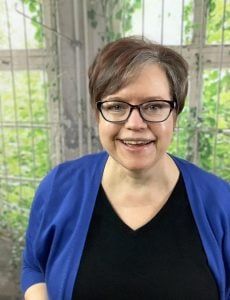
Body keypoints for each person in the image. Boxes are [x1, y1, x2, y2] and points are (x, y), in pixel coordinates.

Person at [21, 36, 230, 300]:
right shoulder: (59, 188)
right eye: (117, 106)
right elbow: (35, 266)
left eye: (154, 106)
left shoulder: (221, 202)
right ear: (98, 114)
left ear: (176, 113)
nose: (135, 123)